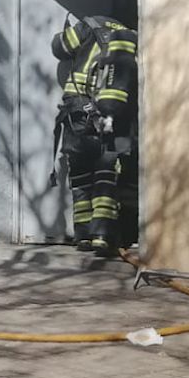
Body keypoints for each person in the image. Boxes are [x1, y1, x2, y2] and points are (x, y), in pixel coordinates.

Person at [50, 14, 138, 258]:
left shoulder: (89, 26)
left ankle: (83, 235)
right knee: (107, 174)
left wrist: (67, 30)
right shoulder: (130, 37)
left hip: (79, 113)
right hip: (116, 117)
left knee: (79, 176)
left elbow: (59, 47)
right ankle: (103, 235)